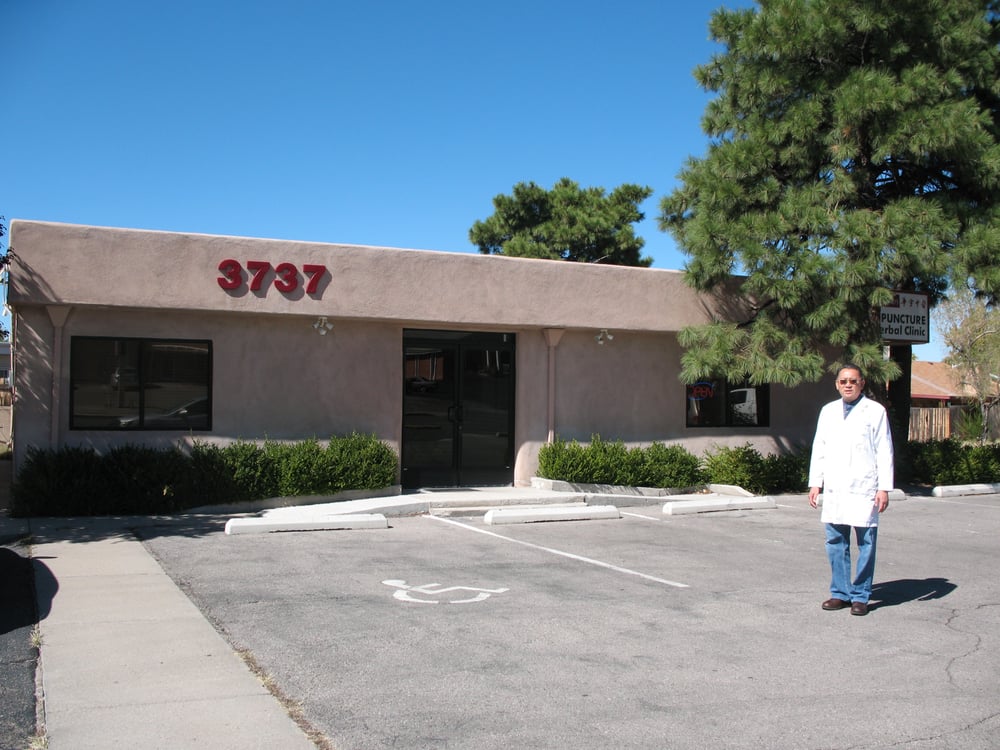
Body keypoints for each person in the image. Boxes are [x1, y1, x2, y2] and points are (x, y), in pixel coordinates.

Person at [808, 364, 894, 616]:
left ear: (861, 384)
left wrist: (884, 487)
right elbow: (820, 447)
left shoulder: (875, 411)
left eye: (853, 381)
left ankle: (861, 596)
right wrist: (816, 482)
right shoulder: (828, 411)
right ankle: (840, 593)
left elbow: (884, 449)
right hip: (836, 487)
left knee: (866, 542)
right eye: (843, 381)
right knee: (835, 540)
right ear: (837, 384)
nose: (848, 385)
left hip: (864, 487)